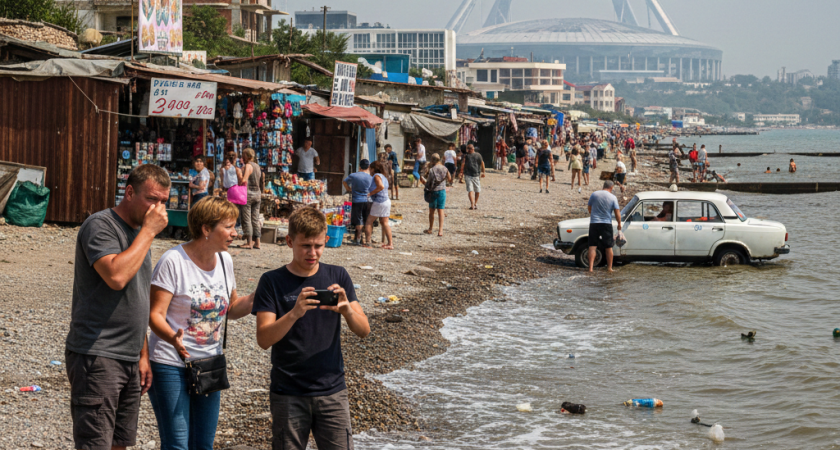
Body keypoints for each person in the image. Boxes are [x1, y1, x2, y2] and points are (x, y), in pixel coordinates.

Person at [65, 164, 170, 450]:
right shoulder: (101, 225)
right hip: (97, 354)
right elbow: (116, 276)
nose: (157, 209)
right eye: (152, 199)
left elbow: (137, 299)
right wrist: (148, 232)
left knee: (120, 443)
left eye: (163, 202)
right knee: (95, 444)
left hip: (129, 356)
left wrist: (143, 353)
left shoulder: (139, 234)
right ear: (129, 192)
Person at [253, 208, 370, 450]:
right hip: (288, 392)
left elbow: (364, 330)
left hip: (332, 391)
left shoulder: (338, 275)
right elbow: (264, 339)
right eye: (305, 245)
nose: (312, 253)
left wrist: (347, 311)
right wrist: (294, 313)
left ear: (326, 241)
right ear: (289, 241)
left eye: (318, 245)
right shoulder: (272, 281)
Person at [147, 197, 255, 450]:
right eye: (228, 227)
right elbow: (154, 316)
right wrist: (173, 338)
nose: (234, 233)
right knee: (177, 445)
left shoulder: (225, 261)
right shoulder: (173, 261)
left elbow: (231, 309)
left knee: (203, 445)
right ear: (206, 229)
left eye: (235, 226)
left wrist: (259, 296)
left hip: (209, 363)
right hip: (170, 363)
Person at [587, 180, 622, 273]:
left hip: (594, 223)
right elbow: (617, 213)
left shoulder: (594, 194)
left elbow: (589, 208)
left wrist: (593, 214)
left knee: (592, 246)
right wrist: (619, 223)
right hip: (606, 223)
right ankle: (609, 268)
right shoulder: (613, 197)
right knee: (608, 247)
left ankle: (590, 268)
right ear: (611, 187)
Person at [235, 148, 263, 249]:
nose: (242, 157)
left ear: (246, 156)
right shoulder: (257, 166)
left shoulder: (248, 165)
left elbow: (244, 180)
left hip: (248, 194)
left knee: (246, 219)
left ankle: (249, 242)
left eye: (243, 154)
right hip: (257, 194)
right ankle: (258, 242)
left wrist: (238, 173)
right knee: (255, 219)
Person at [342, 159, 373, 246]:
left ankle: (358, 239)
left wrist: (348, 189)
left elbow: (344, 182)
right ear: (368, 167)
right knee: (367, 221)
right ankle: (368, 240)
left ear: (359, 166)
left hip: (357, 200)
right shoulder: (371, 178)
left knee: (358, 220)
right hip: (368, 201)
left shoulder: (353, 175)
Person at [420, 153, 451, 236]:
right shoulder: (445, 168)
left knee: (432, 211)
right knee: (441, 210)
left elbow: (429, 182)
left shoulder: (432, 170)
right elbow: (450, 178)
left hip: (433, 191)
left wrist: (423, 182)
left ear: (432, 160)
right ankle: (440, 231)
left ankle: (430, 228)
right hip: (442, 191)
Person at [365, 161, 394, 249]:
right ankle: (390, 244)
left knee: (369, 222)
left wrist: (370, 193)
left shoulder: (376, 176)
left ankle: (368, 242)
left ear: (373, 169)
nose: (369, 170)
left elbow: (380, 187)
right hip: (386, 201)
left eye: (370, 168)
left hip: (379, 202)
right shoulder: (384, 177)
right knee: (385, 223)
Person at [459, 144, 486, 210]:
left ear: (472, 149)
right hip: (468, 175)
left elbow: (482, 163)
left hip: (476, 175)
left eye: (469, 148)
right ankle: (472, 204)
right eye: (468, 148)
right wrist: (461, 173)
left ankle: (475, 203)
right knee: (470, 190)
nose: (468, 150)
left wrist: (483, 172)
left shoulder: (478, 155)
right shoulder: (466, 156)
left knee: (477, 190)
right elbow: (463, 164)